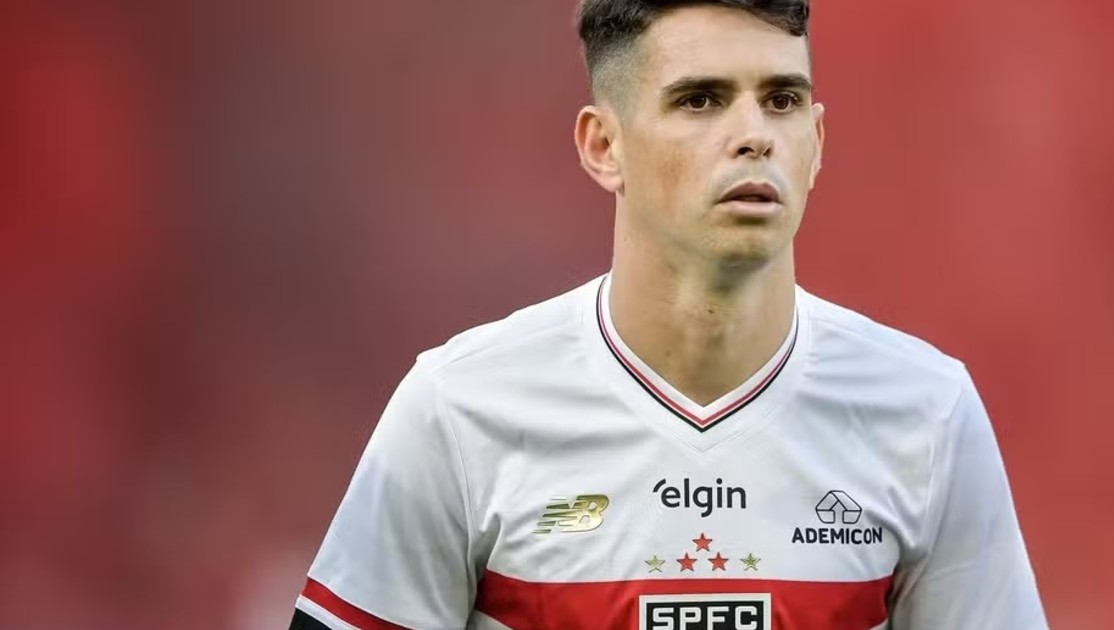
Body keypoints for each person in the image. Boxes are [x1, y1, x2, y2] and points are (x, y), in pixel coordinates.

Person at [290, 1, 1047, 628]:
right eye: (700, 100)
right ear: (603, 146)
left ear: (816, 143)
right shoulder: (458, 410)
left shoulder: (926, 413)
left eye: (782, 100)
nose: (754, 136)